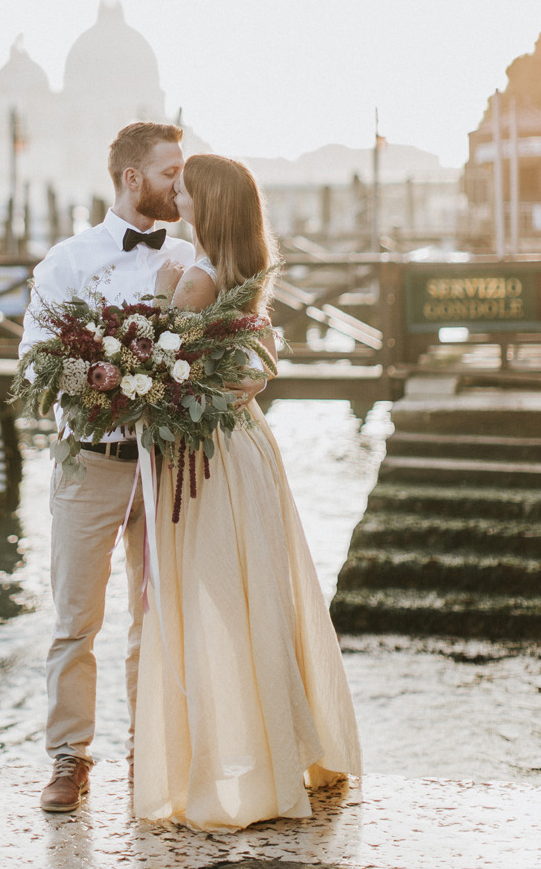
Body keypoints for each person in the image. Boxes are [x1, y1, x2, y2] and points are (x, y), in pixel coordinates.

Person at [133, 153, 362, 831]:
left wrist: (160, 292)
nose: (175, 197)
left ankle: (237, 766)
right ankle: (280, 748)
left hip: (205, 460)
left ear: (209, 204)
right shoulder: (243, 273)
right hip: (247, 445)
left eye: (184, 191)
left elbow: (151, 368)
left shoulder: (195, 280)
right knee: (258, 595)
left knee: (210, 604)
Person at [19, 122, 195, 813]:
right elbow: (33, 359)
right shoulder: (66, 260)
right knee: (75, 619)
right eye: (169, 172)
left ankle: (146, 747)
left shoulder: (187, 254)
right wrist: (95, 373)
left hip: (164, 462)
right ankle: (69, 757)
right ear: (132, 178)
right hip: (88, 462)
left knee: (153, 616)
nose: (179, 184)